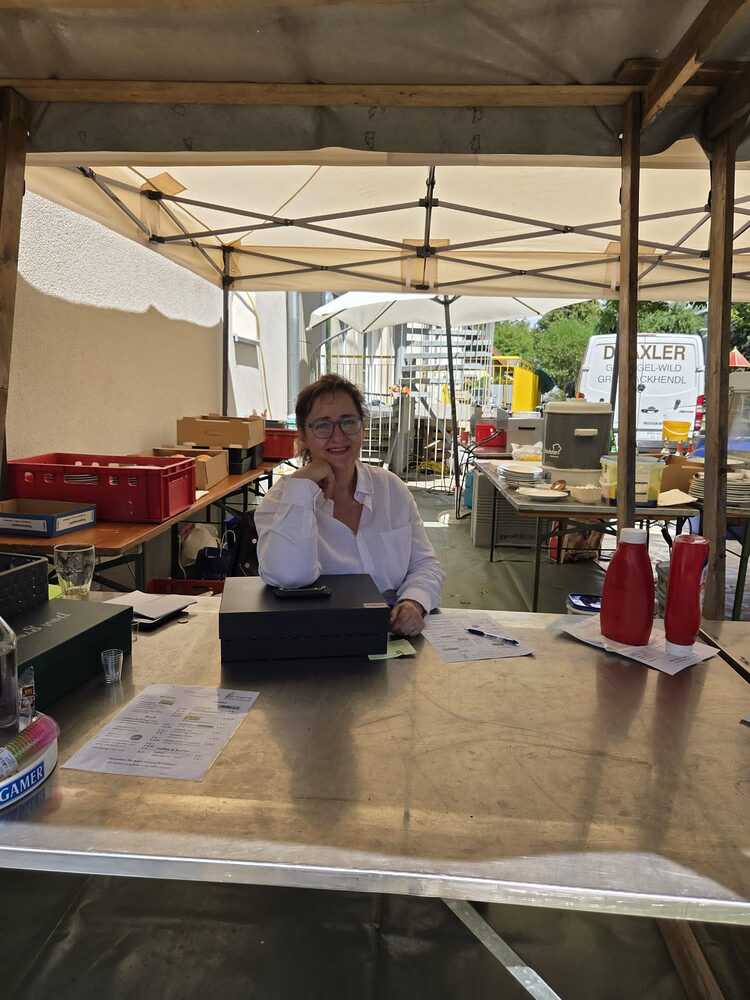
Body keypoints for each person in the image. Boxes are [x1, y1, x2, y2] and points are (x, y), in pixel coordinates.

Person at [256, 374, 444, 636]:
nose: (338, 436)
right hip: (321, 637)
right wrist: (302, 486)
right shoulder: (281, 501)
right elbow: (289, 576)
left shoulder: (391, 489)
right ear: (303, 436)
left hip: (393, 635)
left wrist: (415, 601)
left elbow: (426, 564)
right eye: (323, 425)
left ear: (362, 428)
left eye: (348, 421)